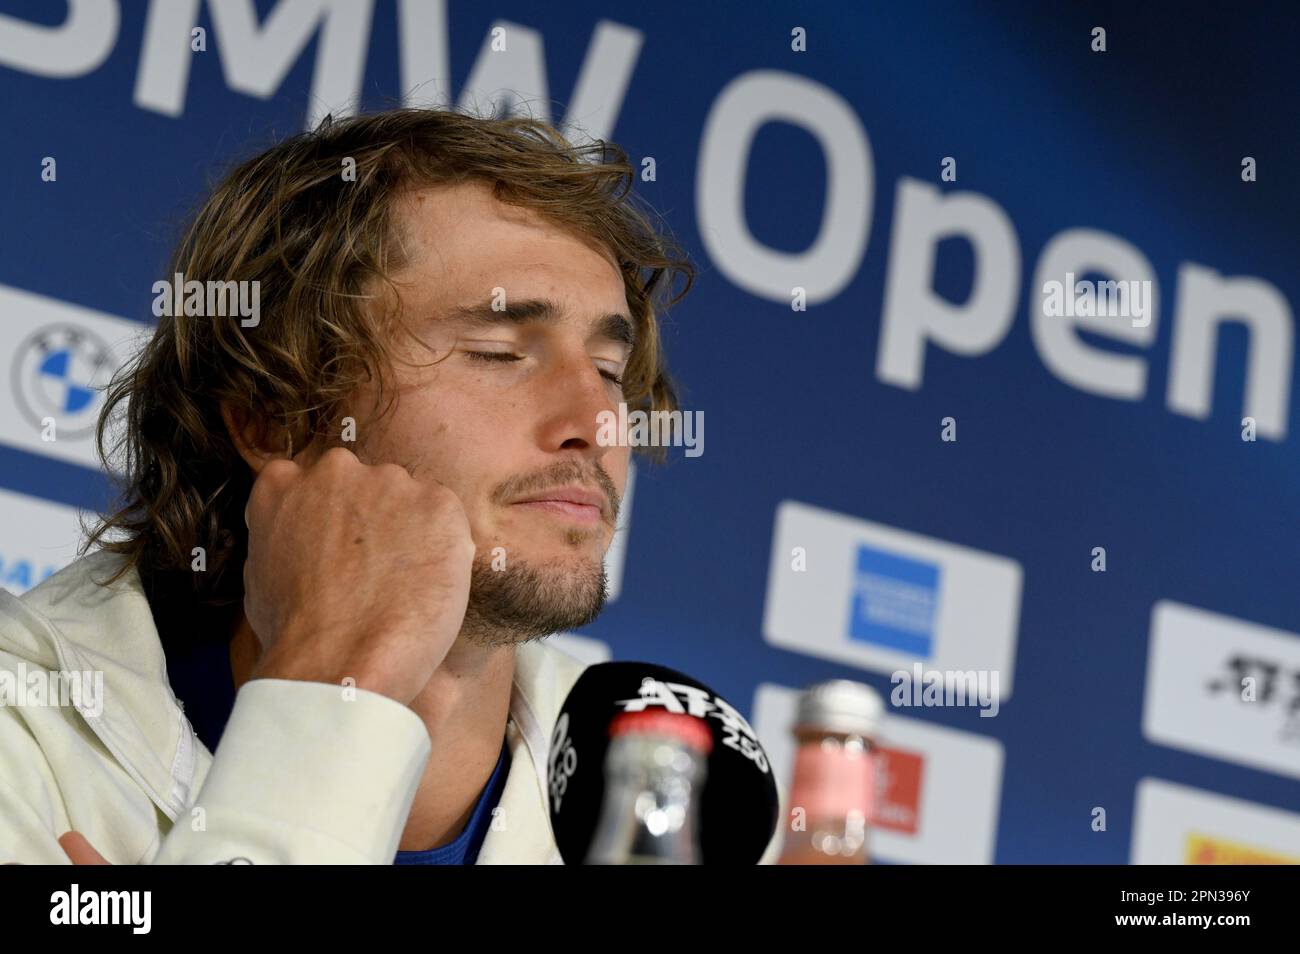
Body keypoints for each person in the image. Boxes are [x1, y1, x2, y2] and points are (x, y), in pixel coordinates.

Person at [0, 107, 771, 864]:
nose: (596, 421)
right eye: (499, 351)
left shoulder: (677, 813)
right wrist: (333, 693)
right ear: (276, 419)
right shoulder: (24, 744)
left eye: (609, 372)